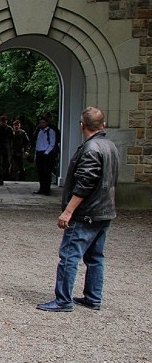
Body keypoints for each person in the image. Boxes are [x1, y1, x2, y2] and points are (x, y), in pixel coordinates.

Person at [37, 107, 119, 312]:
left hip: (87, 213)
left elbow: (85, 183)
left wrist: (68, 211)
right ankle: (93, 297)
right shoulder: (110, 146)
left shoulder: (91, 149)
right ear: (103, 125)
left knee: (69, 256)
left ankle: (63, 300)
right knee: (95, 257)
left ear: (82, 125)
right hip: (104, 209)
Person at [31, 113, 60, 195]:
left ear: (47, 123)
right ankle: (41, 188)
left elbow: (52, 143)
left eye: (43, 122)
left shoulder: (51, 131)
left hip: (46, 153)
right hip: (39, 152)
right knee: (40, 172)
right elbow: (37, 143)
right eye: (40, 123)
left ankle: (47, 189)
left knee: (47, 172)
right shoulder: (40, 131)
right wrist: (36, 155)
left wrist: (46, 153)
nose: (41, 124)